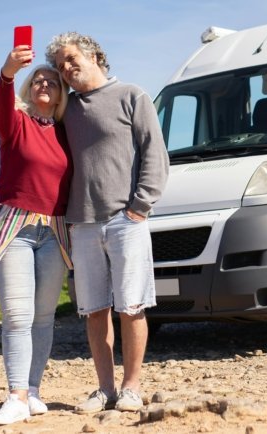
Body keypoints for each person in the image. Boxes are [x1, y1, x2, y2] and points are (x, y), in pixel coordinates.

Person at [45, 32, 169, 414]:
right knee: (95, 310)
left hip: (125, 220)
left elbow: (155, 155)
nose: (66, 69)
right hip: (82, 224)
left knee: (131, 306)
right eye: (61, 65)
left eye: (70, 59)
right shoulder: (68, 110)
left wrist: (139, 207)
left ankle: (131, 388)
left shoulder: (134, 95)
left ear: (93, 54)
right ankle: (104, 389)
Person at [0, 44, 73, 425]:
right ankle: (16, 395)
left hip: (55, 231)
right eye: (37, 79)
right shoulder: (16, 123)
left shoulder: (67, 133)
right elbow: (1, 107)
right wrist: (7, 73)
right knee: (17, 316)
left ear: (60, 94)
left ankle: (33, 390)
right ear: (28, 89)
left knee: (43, 317)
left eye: (52, 82)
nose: (44, 83)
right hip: (16, 228)